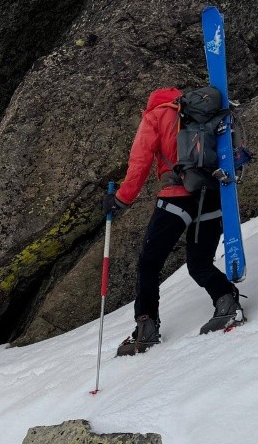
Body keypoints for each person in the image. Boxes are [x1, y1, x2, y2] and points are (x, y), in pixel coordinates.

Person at [104, 86, 244, 356]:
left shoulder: (155, 116)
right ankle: (226, 302)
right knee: (199, 262)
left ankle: (146, 327)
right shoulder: (203, 113)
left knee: (149, 263)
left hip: (176, 199)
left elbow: (140, 161)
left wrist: (121, 199)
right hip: (211, 195)